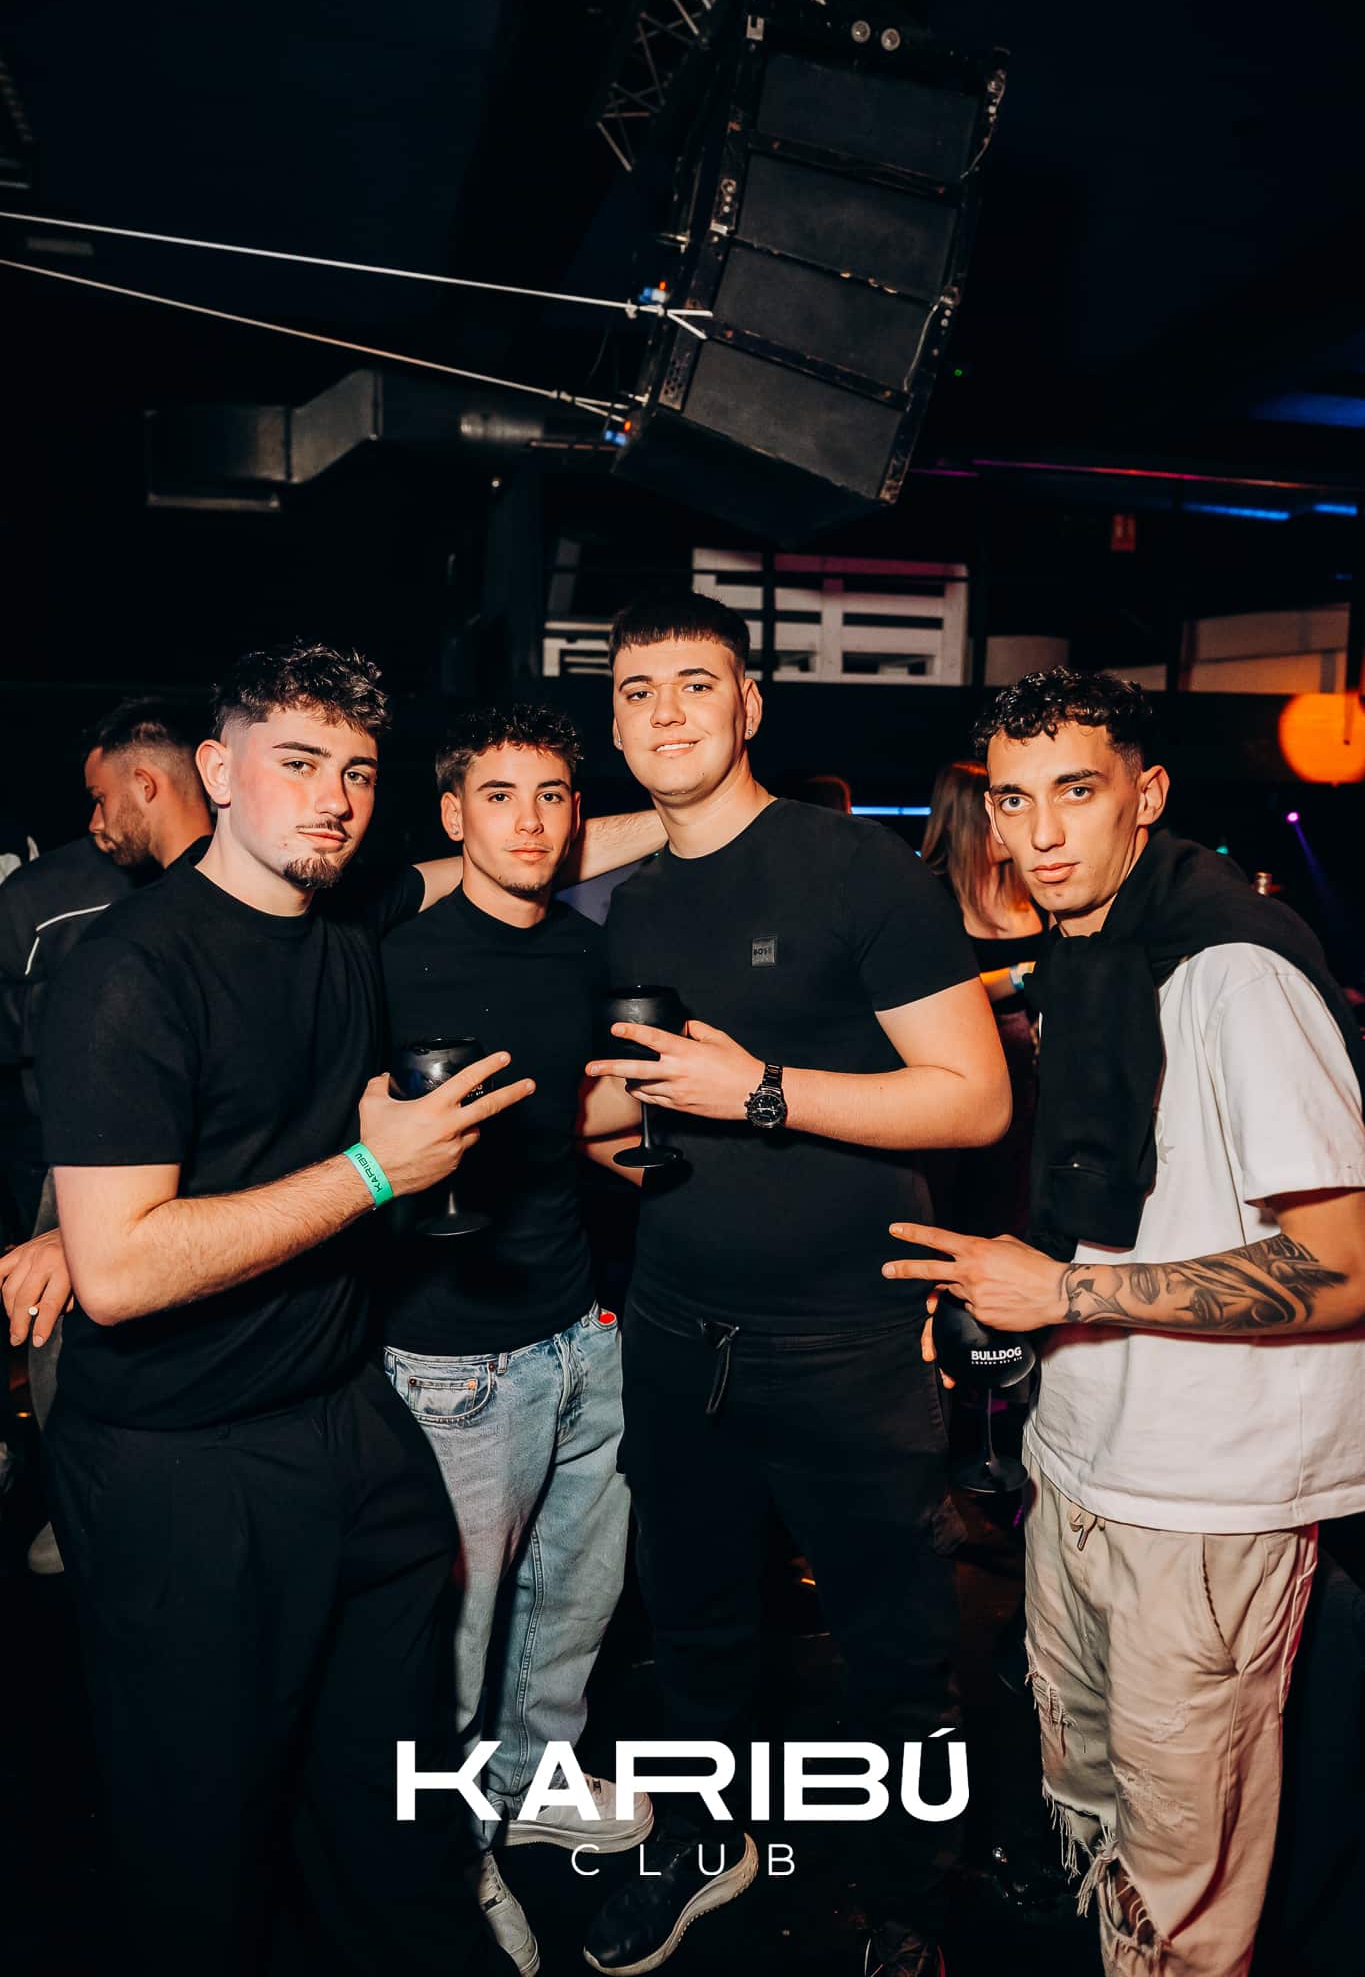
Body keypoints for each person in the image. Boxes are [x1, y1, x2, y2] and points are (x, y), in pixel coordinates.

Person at [30, 641, 538, 1976]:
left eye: (357, 772)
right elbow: (118, 1272)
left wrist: (687, 806)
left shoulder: (344, 920)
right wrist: (374, 1171)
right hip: (184, 1466)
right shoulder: (130, 970)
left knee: (389, 1819)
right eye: (298, 763)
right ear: (216, 770)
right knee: (203, 1848)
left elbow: (487, 857)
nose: (334, 798)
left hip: (346, 1424)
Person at [886, 668, 1365, 1977]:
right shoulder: (1093, 947)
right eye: (1011, 799)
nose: (1038, 834)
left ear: (1144, 796)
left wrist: (1067, 1294)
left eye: (1075, 792)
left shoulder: (1234, 972)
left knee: (1179, 1882)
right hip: (1089, 1458)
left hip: (1205, 1500)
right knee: (1094, 1817)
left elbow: (1342, 1263)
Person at [580, 591, 1011, 1977]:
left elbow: (972, 1098)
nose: (665, 714)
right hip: (675, 1329)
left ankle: (908, 1900)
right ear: (614, 725)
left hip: (845, 1344)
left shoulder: (853, 869)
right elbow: (651, 1116)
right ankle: (709, 1843)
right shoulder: (636, 902)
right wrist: (602, 1131)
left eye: (694, 684)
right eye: (637, 692)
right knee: (696, 1630)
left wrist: (761, 1091)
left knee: (892, 1648)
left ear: (749, 704)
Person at [378, 702, 652, 1975]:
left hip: (579, 1325)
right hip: (451, 1355)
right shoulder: (395, 957)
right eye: (499, 796)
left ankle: (534, 1780)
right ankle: (446, 1855)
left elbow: (570, 1122)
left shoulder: (583, 953)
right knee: (456, 1635)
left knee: (574, 1602)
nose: (530, 822)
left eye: (551, 796)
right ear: (454, 814)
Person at [1, 696, 214, 1572]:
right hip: (74, 1160)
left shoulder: (233, 891)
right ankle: (79, 1506)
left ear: (145, 783)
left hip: (192, 1165)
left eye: (99, 798)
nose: (92, 822)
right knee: (68, 1346)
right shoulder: (40, 897)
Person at [921, 758, 1042, 1239]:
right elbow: (943, 992)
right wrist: (1021, 976)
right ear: (964, 820)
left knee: (1016, 1200)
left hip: (1032, 1069)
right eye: (1000, 810)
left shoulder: (1031, 886)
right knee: (962, 1204)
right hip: (969, 1065)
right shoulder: (933, 896)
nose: (1011, 824)